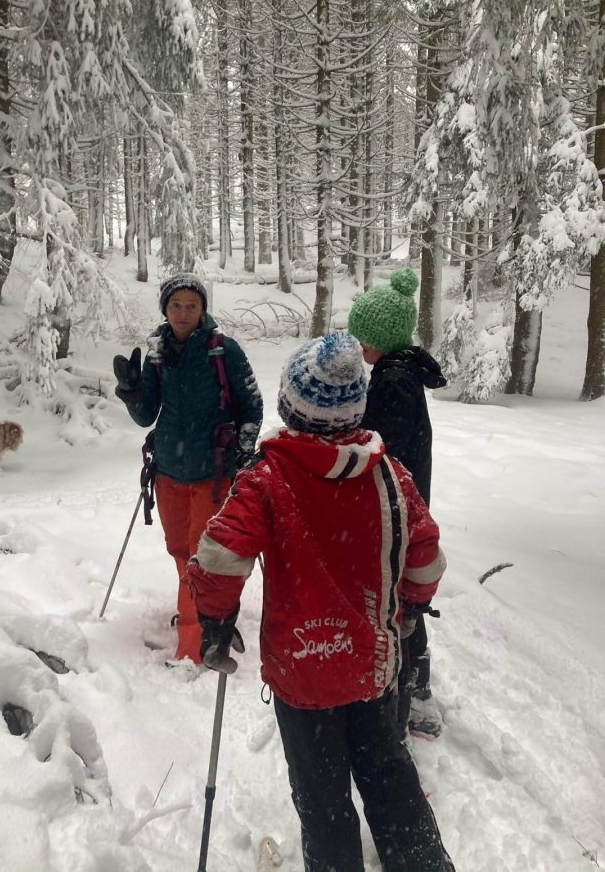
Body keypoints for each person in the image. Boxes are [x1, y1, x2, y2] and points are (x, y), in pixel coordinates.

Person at [188, 332, 455, 872]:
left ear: (290, 405)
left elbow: (218, 560)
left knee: (324, 798)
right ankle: (422, 862)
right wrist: (406, 610)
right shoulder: (389, 473)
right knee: (388, 775)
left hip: (303, 671)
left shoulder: (267, 476)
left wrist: (215, 620)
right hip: (373, 667)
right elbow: (426, 560)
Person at [113, 273, 263, 667]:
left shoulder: (223, 351)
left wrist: (245, 453)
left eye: (191, 306)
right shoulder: (159, 354)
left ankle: (195, 644)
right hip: (167, 471)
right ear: (165, 308)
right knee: (180, 551)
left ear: (202, 310)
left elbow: (252, 406)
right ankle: (210, 614)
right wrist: (132, 394)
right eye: (176, 305)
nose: (183, 313)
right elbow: (147, 416)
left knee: (202, 556)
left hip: (212, 473)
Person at [348, 266, 447, 739]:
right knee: (401, 597)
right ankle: (415, 684)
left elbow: (383, 450)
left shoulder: (391, 384)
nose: (358, 346)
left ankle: (415, 694)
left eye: (362, 337)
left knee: (400, 601)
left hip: (398, 510)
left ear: (381, 338)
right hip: (407, 503)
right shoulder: (398, 373)